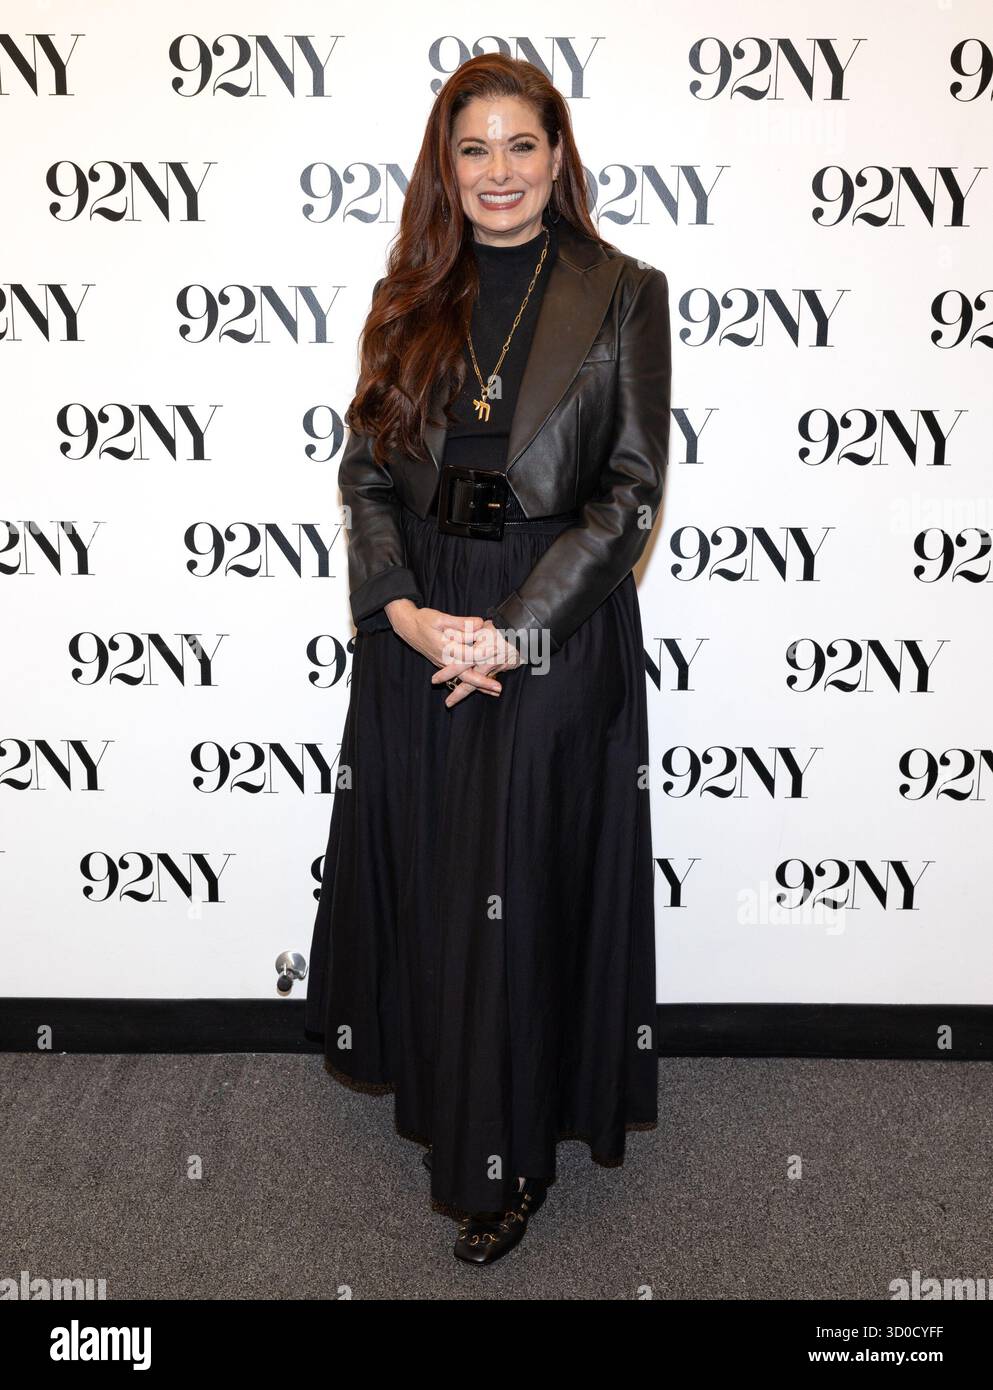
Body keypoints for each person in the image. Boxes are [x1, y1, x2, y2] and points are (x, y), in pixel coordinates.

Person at [304, 52, 671, 1265]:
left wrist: (515, 631)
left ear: (558, 158)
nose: (499, 172)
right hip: (424, 618)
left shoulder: (624, 289)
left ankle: (502, 1166)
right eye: (475, 150)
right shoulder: (409, 289)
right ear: (445, 168)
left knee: (518, 890)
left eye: (522, 146)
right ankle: (450, 1089)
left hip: (548, 619)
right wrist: (403, 614)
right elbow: (364, 476)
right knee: (443, 876)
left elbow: (627, 498)